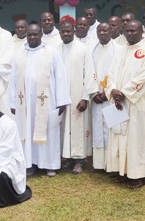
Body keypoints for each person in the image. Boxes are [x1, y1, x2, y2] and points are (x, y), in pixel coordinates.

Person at [9, 23, 70, 177]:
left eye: (35, 34)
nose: (32, 37)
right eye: (30, 34)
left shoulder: (51, 52)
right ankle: (30, 163)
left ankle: (50, 164)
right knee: (27, 131)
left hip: (47, 101)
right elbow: (12, 80)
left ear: (41, 35)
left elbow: (61, 76)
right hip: (26, 104)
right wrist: (13, 102)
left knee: (48, 131)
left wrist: (62, 100)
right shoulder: (19, 53)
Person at [105, 20, 145, 188]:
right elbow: (111, 73)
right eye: (127, 31)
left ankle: (138, 175)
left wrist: (124, 93)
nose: (129, 33)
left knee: (136, 138)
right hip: (118, 101)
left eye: (133, 31)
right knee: (120, 137)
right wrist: (113, 90)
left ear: (141, 31)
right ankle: (122, 171)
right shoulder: (120, 50)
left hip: (137, 102)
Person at [57, 17, 98, 174]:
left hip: (78, 96)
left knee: (78, 127)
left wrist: (86, 97)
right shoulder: (56, 50)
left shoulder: (82, 49)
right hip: (61, 97)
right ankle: (67, 158)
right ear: (59, 33)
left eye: (69, 31)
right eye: (63, 32)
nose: (66, 34)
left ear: (74, 31)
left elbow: (89, 74)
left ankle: (79, 160)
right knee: (64, 127)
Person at [91, 22, 120, 170]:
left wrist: (107, 92)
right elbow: (89, 72)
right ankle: (99, 164)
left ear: (111, 31)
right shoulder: (93, 49)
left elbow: (119, 74)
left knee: (113, 129)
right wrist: (94, 92)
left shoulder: (118, 49)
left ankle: (113, 165)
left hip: (112, 98)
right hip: (96, 97)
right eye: (99, 31)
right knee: (98, 128)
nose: (102, 33)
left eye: (105, 30)